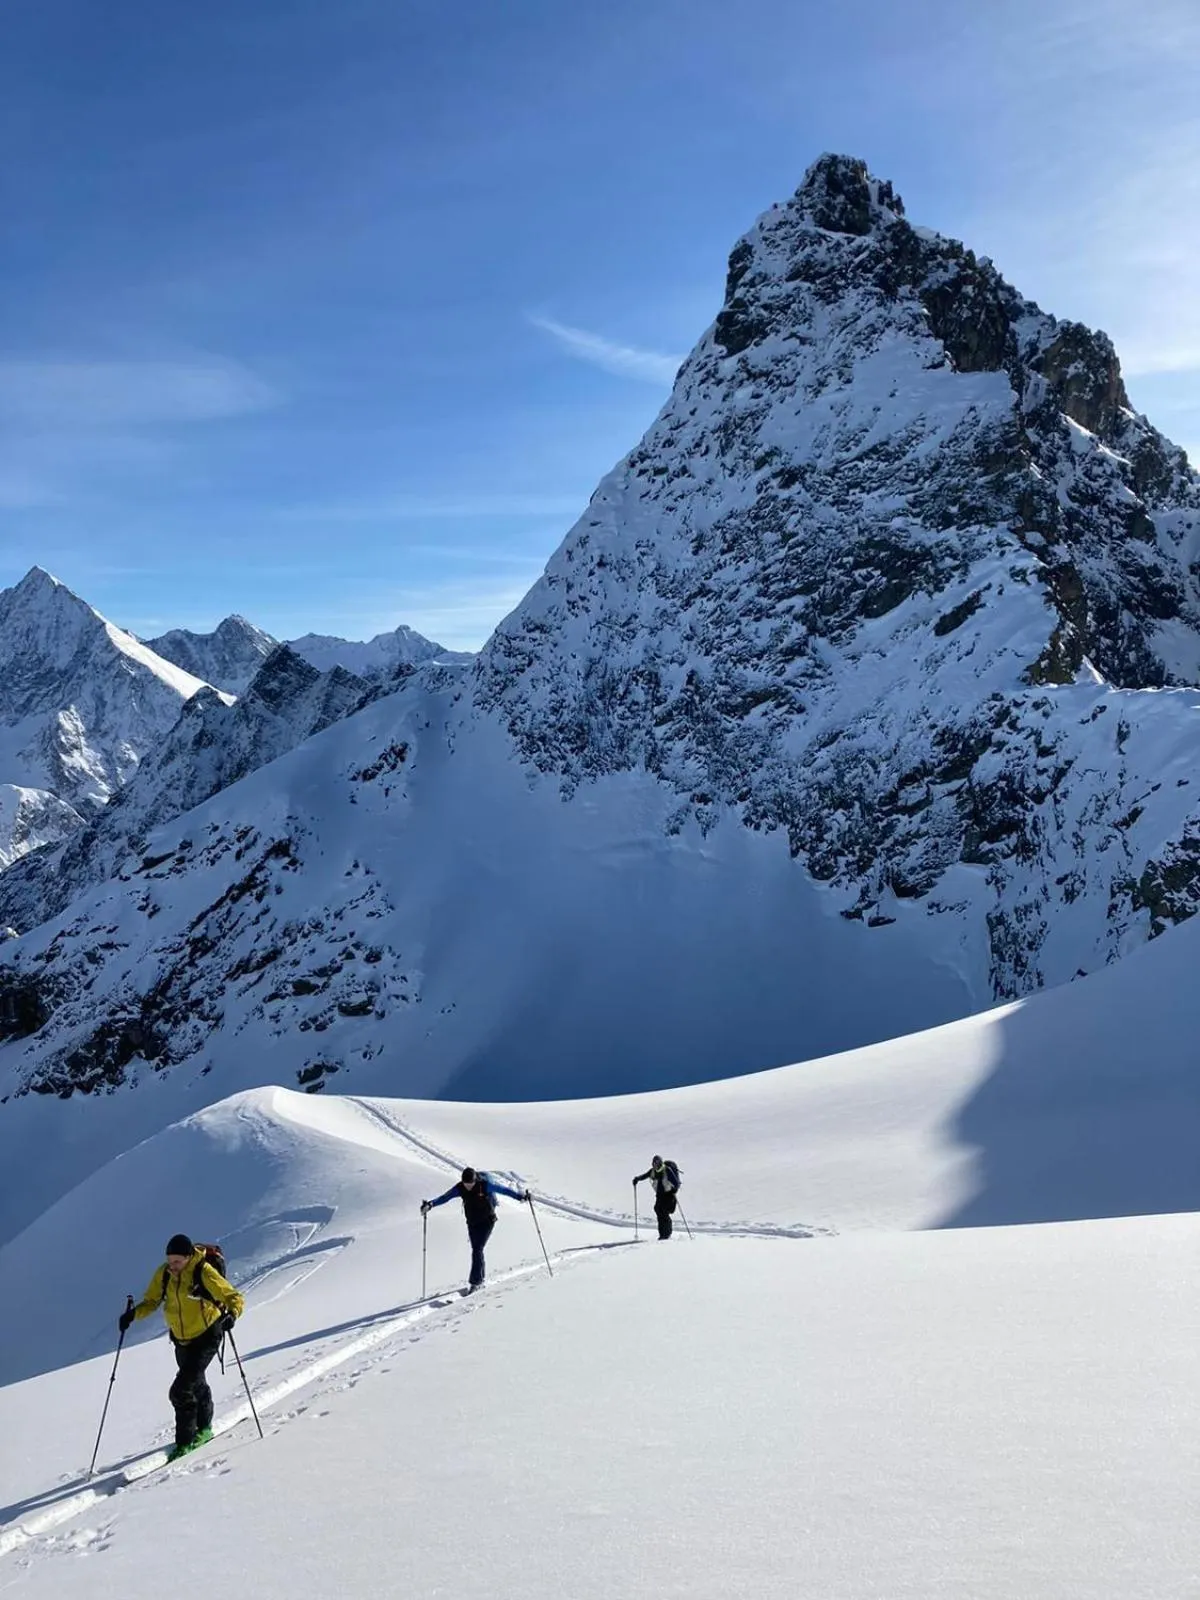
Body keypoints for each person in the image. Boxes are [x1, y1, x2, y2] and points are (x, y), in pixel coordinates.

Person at [119, 1234, 244, 1460]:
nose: (172, 1265)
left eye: (177, 1261)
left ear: (189, 1257)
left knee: (180, 1390)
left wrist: (232, 1315)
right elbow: (152, 1301)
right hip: (181, 1340)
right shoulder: (164, 1273)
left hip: (207, 1336)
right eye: (170, 1260)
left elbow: (232, 1296)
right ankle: (205, 1428)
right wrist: (132, 1315)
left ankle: (184, 1443)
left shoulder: (203, 1271)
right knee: (196, 1383)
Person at [421, 1167, 531, 1291]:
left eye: (470, 1183)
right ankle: (481, 1278)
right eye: (466, 1184)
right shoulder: (460, 1188)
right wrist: (430, 1204)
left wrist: (520, 1196)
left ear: (475, 1181)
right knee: (477, 1250)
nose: (468, 1186)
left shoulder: (484, 1185)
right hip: (472, 1222)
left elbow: (504, 1190)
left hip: (488, 1220)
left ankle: (475, 1282)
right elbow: (445, 1197)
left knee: (477, 1249)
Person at [633, 1155, 682, 1239]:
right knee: (658, 1210)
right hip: (660, 1195)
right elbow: (645, 1175)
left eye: (656, 1163)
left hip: (669, 1195)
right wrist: (637, 1179)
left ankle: (666, 1234)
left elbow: (676, 1183)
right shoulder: (653, 1171)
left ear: (660, 1162)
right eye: (654, 1163)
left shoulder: (667, 1170)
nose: (655, 1164)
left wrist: (674, 1190)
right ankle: (662, 1234)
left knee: (663, 1212)